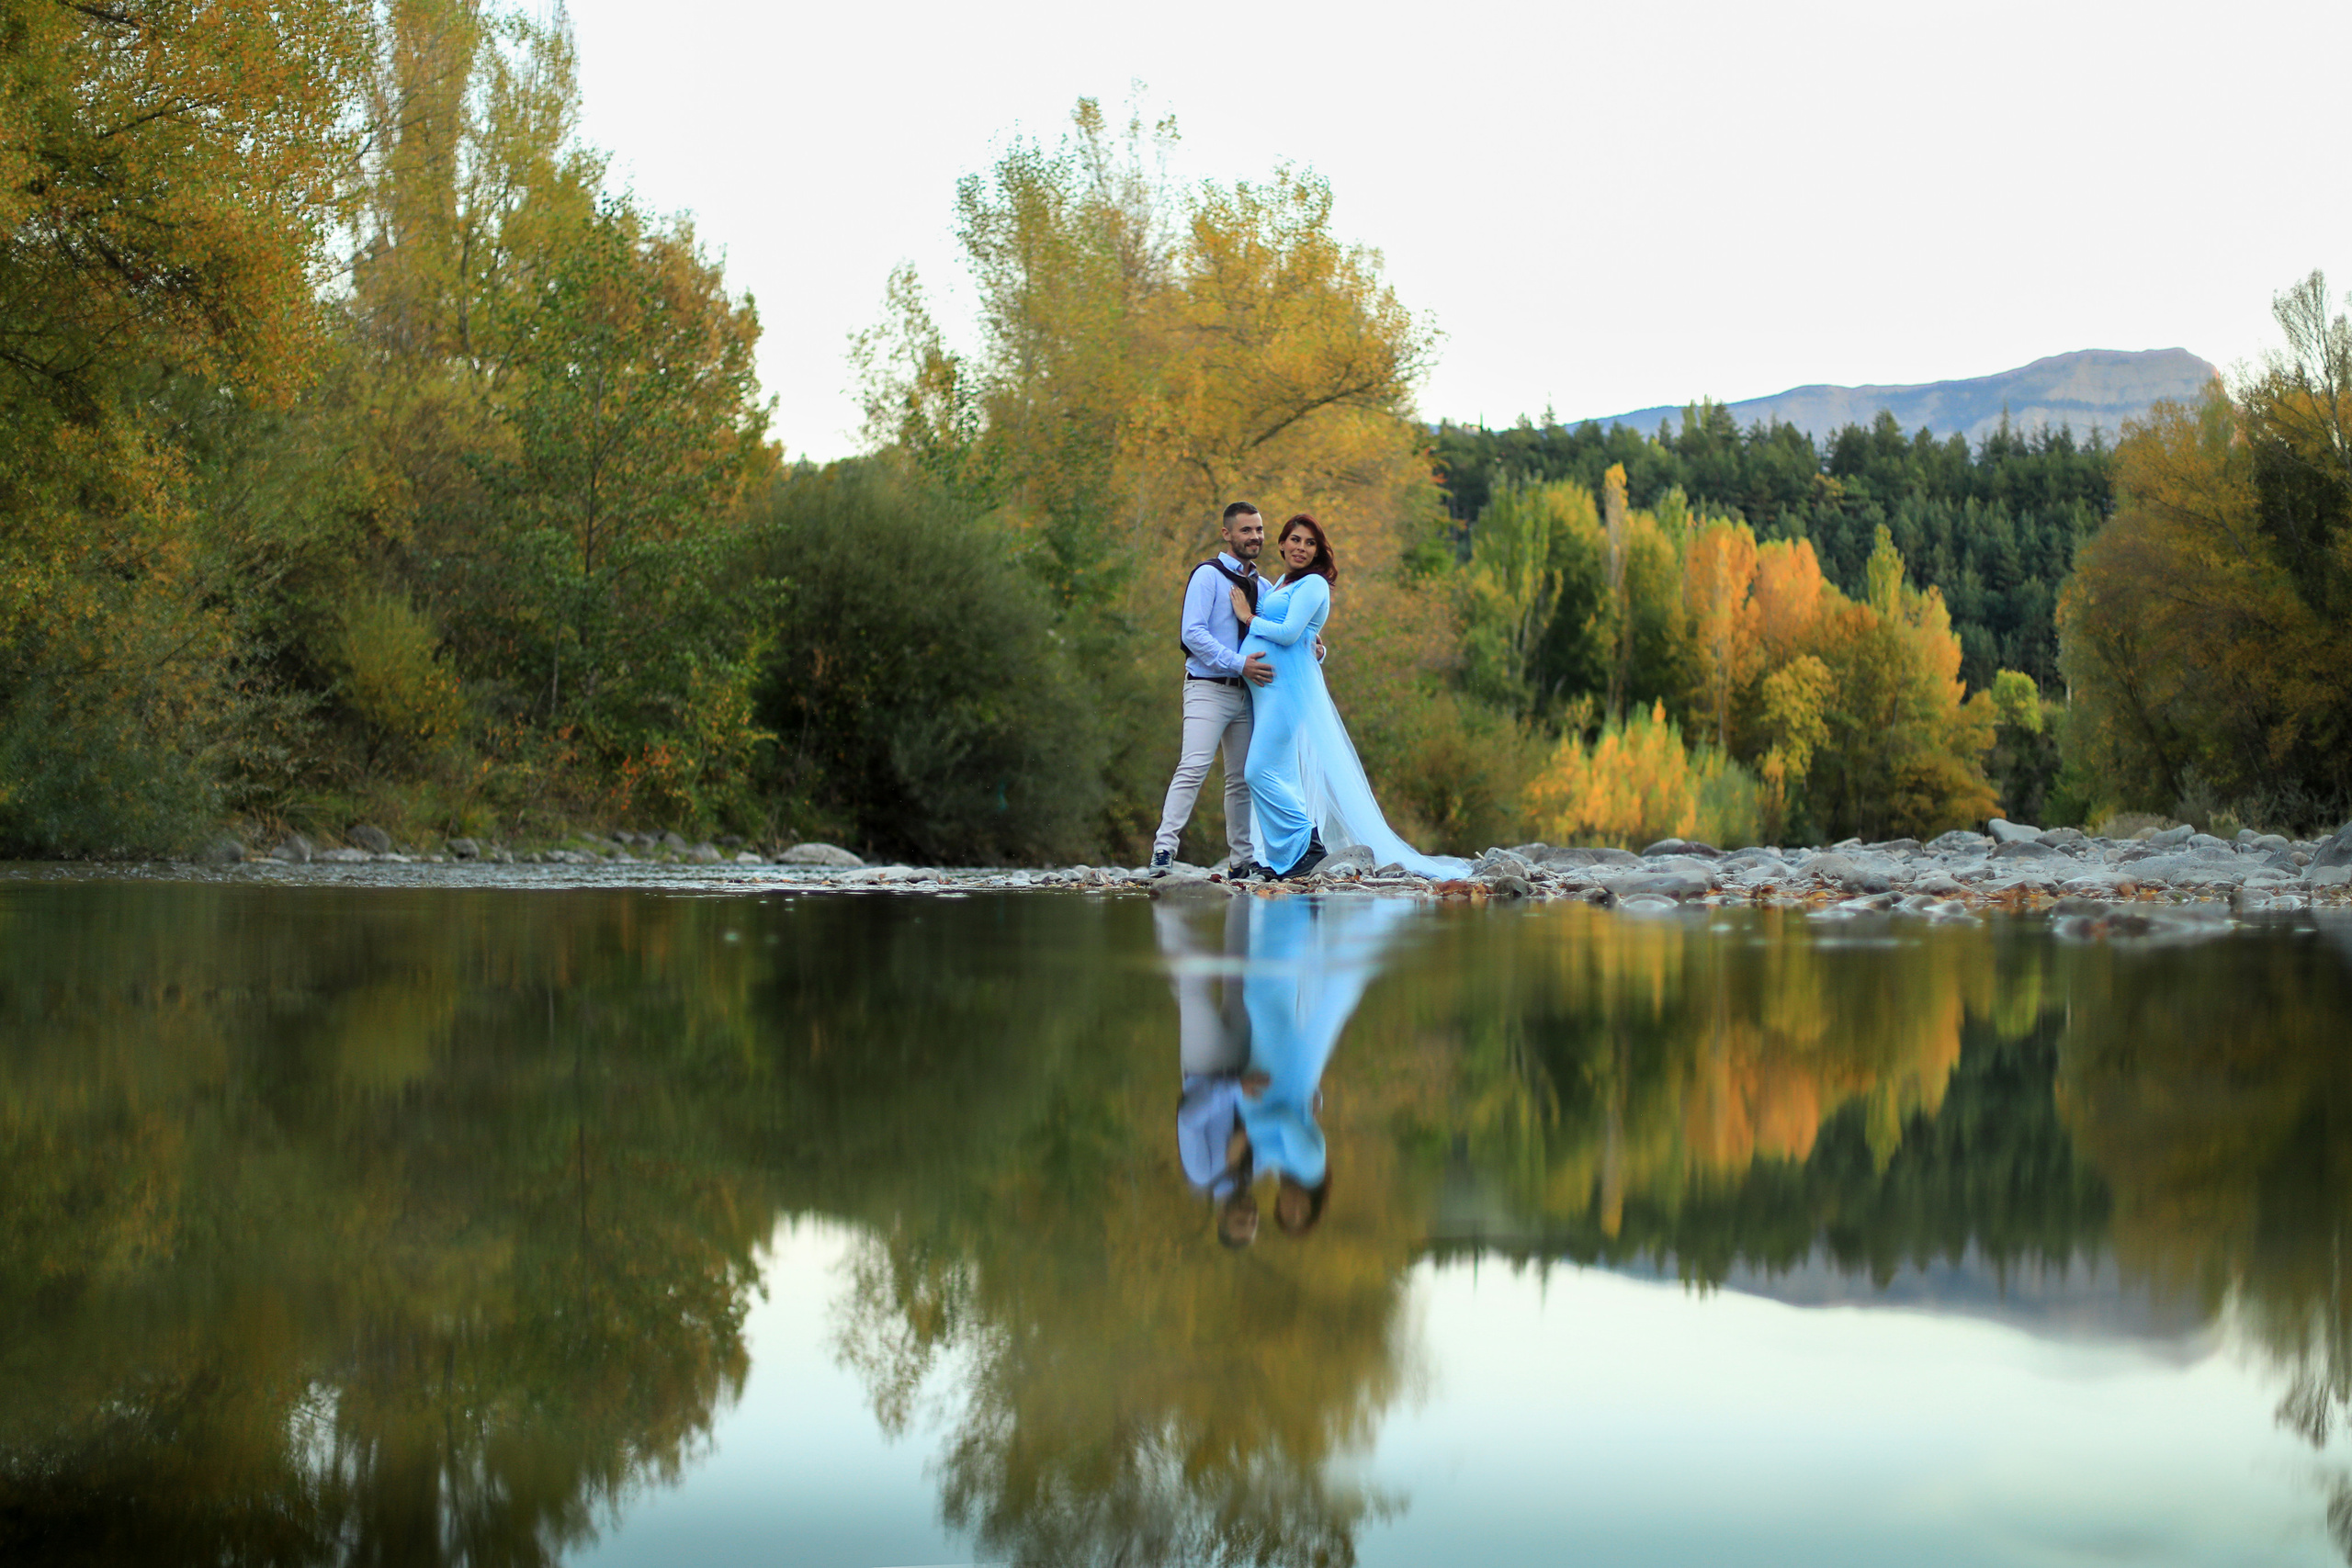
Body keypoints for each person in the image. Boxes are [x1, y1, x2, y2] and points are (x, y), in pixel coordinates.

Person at [1232, 514, 1468, 881]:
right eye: (1295, 540)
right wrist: (1316, 648)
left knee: (1257, 771)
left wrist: (1247, 619)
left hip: (1286, 692)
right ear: (1281, 544)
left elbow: (1290, 633)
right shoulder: (1280, 582)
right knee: (1279, 772)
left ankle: (1307, 847)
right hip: (1268, 692)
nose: (1301, 548)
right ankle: (1284, 859)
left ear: (1318, 551)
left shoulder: (1313, 584)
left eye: (1310, 543)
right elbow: (1306, 638)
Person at [1147, 502, 1274, 877]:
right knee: (1194, 766)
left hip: (1249, 695)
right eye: (1247, 530)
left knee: (1242, 779)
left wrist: (1317, 648)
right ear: (1227, 534)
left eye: (1260, 530)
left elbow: (1277, 634)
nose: (1255, 537)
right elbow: (1192, 633)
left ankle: (1241, 860)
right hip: (1207, 688)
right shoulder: (1207, 576)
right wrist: (1239, 663)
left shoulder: (1264, 587)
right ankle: (1163, 851)